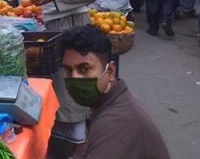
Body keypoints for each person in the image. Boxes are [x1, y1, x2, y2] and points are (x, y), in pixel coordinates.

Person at [21, 0, 98, 159]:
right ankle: (69, 135)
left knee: (70, 81)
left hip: (71, 25)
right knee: (63, 81)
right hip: (62, 23)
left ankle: (79, 143)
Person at [60, 25, 170, 159]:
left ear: (110, 71)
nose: (74, 78)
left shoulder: (114, 125)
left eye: (84, 69)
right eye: (68, 70)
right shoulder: (110, 103)